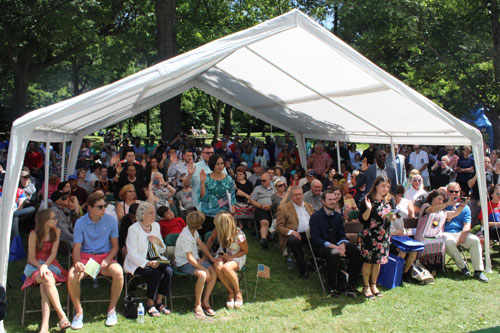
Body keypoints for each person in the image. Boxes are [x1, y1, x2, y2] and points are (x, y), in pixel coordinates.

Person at [67, 192, 123, 329]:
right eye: (100, 207)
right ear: (90, 208)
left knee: (119, 273)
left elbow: (115, 246)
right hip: (87, 258)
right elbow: (76, 248)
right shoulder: (80, 222)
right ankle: (79, 312)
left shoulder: (111, 220)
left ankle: (111, 310)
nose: (104, 209)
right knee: (72, 275)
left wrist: (108, 259)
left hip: (104, 257)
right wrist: (77, 262)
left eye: (104, 206)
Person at [21, 209, 70, 332]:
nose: (56, 220)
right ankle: (62, 316)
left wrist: (45, 266)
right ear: (44, 221)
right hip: (35, 266)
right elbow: (31, 258)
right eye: (53, 218)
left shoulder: (56, 232)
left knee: (45, 284)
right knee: (47, 279)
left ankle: (45, 326)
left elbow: (53, 254)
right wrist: (40, 266)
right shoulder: (34, 234)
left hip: (51, 265)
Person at [124, 202, 172, 316]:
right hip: (138, 261)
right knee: (155, 273)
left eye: (154, 212)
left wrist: (159, 242)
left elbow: (162, 250)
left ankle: (159, 301)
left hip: (156, 257)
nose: (154, 215)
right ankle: (150, 302)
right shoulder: (133, 229)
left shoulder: (156, 226)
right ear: (142, 215)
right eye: (151, 213)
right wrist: (147, 263)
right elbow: (131, 253)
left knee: (169, 271)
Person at [310, 190, 362, 297]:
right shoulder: (315, 217)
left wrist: (342, 245)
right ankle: (332, 286)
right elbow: (316, 239)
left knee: (356, 250)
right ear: (323, 201)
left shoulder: (338, 216)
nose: (332, 202)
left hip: (337, 245)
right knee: (333, 253)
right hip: (322, 247)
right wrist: (336, 247)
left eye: (334, 199)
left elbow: (342, 235)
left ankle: (351, 285)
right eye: (330, 199)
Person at [174, 211, 218, 318]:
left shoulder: (192, 230)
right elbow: (189, 259)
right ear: (198, 225)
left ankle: (205, 301)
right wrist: (203, 268)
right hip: (183, 263)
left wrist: (210, 257)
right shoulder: (186, 237)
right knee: (203, 274)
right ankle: (197, 305)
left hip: (194, 259)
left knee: (213, 270)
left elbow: (201, 244)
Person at [359, 176, 395, 299]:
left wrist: (393, 217)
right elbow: (363, 219)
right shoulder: (368, 199)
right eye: (383, 186)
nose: (385, 189)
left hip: (384, 235)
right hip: (370, 235)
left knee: (378, 261)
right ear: (376, 186)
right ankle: (366, 286)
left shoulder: (390, 200)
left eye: (387, 187)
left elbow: (394, 215)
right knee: (368, 261)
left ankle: (374, 285)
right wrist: (369, 209)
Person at [443, 183, 488, 282]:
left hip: (459, 232)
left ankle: (478, 271)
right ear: (447, 192)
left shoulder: (465, 207)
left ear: (460, 193)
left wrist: (462, 236)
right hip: (445, 232)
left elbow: (467, 224)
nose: (454, 194)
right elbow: (448, 216)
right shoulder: (443, 205)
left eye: (456, 192)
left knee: (475, 240)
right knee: (449, 243)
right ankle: (463, 267)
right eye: (451, 191)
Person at [415, 190, 466, 276]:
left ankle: (434, 269)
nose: (441, 201)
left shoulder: (443, 212)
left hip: (435, 237)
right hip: (423, 236)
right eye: (439, 199)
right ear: (432, 198)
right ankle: (426, 267)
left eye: (442, 200)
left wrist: (462, 205)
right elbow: (431, 210)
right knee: (428, 243)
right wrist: (447, 204)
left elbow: (455, 213)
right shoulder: (426, 206)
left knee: (440, 242)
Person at [210, 212, 248, 309]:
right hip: (223, 253)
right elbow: (210, 239)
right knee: (217, 266)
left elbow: (245, 251)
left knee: (227, 268)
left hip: (237, 255)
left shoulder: (239, 235)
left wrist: (231, 257)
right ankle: (230, 292)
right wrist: (206, 255)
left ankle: (238, 292)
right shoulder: (218, 229)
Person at [276, 186, 314, 279]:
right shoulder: (283, 208)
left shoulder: (309, 206)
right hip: (296, 234)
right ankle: (303, 267)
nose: (298, 197)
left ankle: (313, 262)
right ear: (291, 196)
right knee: (293, 241)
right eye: (295, 195)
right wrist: (291, 232)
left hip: (311, 233)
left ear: (302, 195)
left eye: (300, 194)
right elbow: (279, 227)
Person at [199, 153, 237, 238]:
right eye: (217, 164)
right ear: (212, 165)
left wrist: (232, 206)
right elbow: (203, 197)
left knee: (224, 238)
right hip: (209, 213)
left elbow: (232, 195)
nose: (220, 166)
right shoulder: (207, 178)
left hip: (224, 214)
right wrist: (202, 182)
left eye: (222, 163)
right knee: (209, 238)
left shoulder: (228, 179)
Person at [249, 172, 275, 249]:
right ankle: (264, 239)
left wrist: (271, 206)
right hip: (261, 209)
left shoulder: (275, 188)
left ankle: (273, 235)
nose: (262, 182)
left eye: (264, 181)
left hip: (274, 208)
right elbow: (252, 200)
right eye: (261, 180)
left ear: (270, 180)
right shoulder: (257, 188)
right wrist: (261, 206)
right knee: (264, 222)